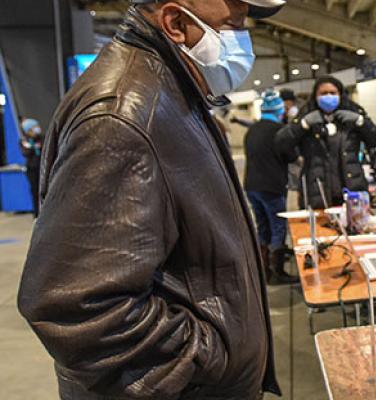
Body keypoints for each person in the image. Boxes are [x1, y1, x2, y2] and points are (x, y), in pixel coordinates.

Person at [17, 1, 285, 398]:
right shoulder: (122, 116)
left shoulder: (173, 92)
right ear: (176, 23)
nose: (243, 41)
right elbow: (77, 308)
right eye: (234, 25)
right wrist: (211, 358)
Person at [278, 75, 376, 208]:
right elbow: (281, 144)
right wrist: (302, 125)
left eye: (333, 93)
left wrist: (361, 122)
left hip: (352, 191)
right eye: (323, 93)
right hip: (318, 193)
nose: (328, 96)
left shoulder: (352, 116)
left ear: (340, 95)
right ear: (315, 96)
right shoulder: (306, 118)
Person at [244, 89, 297, 285]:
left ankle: (263, 271)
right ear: (279, 110)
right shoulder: (278, 131)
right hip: (272, 187)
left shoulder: (253, 129)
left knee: (262, 227)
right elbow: (290, 156)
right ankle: (279, 271)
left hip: (251, 186)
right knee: (278, 227)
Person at [19, 118, 43, 217]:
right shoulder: (24, 141)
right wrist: (33, 147)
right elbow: (26, 153)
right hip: (32, 170)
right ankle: (37, 214)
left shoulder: (42, 138)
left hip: (42, 168)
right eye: (34, 127)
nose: (37, 129)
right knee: (34, 191)